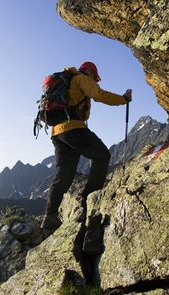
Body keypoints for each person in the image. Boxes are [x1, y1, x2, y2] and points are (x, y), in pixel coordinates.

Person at [41, 61, 132, 231]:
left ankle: (49, 217)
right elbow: (99, 95)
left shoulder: (66, 81)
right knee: (102, 156)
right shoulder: (82, 78)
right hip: (73, 127)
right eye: (94, 78)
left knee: (64, 175)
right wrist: (124, 99)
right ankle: (88, 200)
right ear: (90, 72)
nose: (95, 81)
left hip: (57, 132)